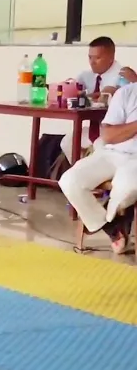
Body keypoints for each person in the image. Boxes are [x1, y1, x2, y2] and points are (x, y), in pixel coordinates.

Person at [59, 81, 137, 253]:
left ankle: (113, 218)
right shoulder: (127, 93)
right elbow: (108, 135)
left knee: (126, 189)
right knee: (70, 180)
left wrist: (124, 131)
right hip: (110, 152)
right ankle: (111, 227)